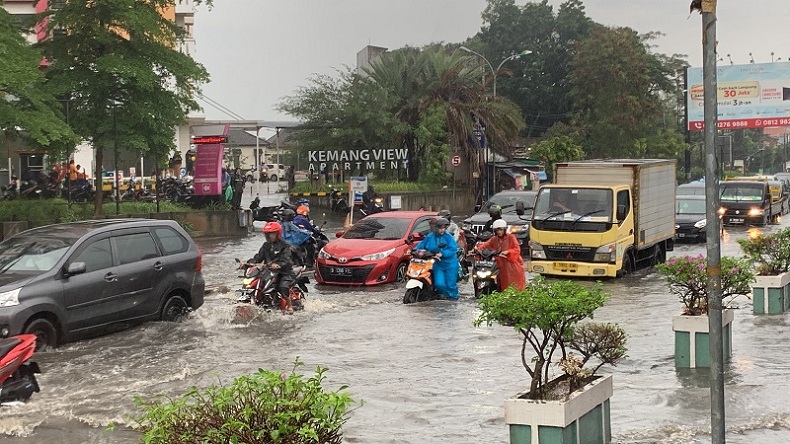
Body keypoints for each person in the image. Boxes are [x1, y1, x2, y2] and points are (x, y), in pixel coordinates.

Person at [245, 222, 295, 314]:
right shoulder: (266, 245)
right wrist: (247, 263)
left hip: (284, 272)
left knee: (283, 286)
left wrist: (279, 265)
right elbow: (258, 257)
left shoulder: (285, 245)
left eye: (271, 233)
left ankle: (289, 305)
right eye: (267, 233)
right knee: (256, 282)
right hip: (269, 271)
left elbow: (286, 259)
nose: (268, 236)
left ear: (277, 233)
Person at [474, 219, 526, 291]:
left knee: (513, 282)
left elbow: (516, 249)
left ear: (504, 230)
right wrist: (477, 249)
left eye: (501, 230)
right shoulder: (494, 239)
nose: (499, 232)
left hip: (511, 263)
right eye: (497, 230)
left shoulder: (511, 237)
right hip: (499, 263)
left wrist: (508, 252)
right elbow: (486, 245)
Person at [414, 217, 459, 299]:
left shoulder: (448, 237)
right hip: (438, 264)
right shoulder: (430, 237)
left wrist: (442, 254)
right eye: (440, 228)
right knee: (439, 284)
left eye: (444, 228)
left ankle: (453, 299)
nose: (442, 230)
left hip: (450, 264)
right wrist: (415, 250)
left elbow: (453, 249)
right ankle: (445, 296)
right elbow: (421, 245)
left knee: (451, 285)